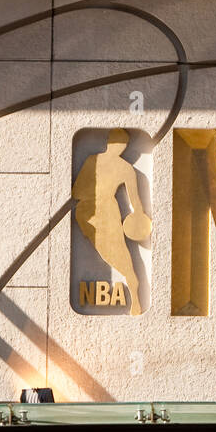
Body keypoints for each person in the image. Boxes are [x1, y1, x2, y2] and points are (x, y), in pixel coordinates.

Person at [71, 128, 151, 314]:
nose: (120, 148)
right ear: (110, 142)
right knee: (109, 253)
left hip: (107, 212)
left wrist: (139, 218)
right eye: (118, 143)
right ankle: (131, 282)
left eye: (122, 145)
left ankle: (135, 296)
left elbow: (135, 200)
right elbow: (77, 192)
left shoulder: (125, 168)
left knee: (119, 255)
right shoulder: (93, 160)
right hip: (88, 213)